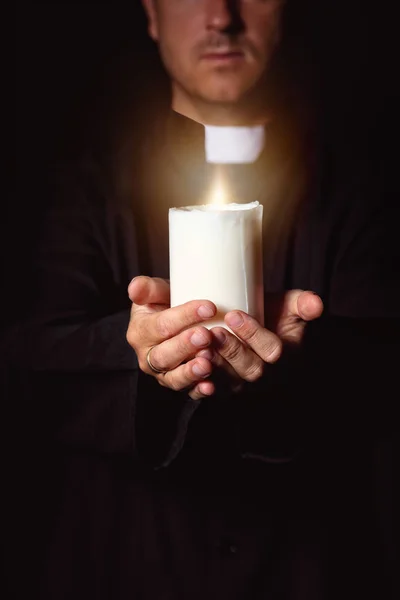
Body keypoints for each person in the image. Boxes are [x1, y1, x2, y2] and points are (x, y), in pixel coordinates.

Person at [6, 1, 398, 599]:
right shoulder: (80, 184)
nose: (221, 16)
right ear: (152, 13)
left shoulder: (365, 188)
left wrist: (301, 365)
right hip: (125, 563)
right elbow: (28, 358)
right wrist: (139, 350)